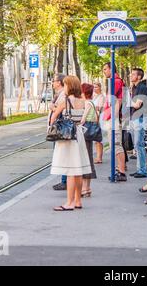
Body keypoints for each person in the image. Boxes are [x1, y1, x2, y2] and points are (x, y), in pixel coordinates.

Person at [50, 76, 91, 211]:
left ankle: (69, 202)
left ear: (70, 86)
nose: (65, 87)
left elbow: (53, 119)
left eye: (66, 85)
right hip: (78, 134)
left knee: (70, 171)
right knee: (78, 170)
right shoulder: (83, 100)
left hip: (68, 137)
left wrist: (52, 109)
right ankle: (78, 201)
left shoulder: (65, 100)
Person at [102, 62, 127, 181]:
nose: (104, 71)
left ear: (112, 69)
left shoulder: (115, 81)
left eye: (106, 69)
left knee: (116, 144)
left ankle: (121, 172)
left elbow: (115, 101)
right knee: (115, 144)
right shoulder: (114, 81)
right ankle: (119, 169)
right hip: (112, 117)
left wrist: (112, 116)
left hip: (113, 118)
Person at [129, 68, 147, 178]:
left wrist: (128, 102)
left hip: (141, 118)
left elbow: (137, 105)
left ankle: (142, 170)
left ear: (139, 77)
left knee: (139, 143)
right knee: (136, 144)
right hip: (134, 117)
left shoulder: (142, 88)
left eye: (133, 74)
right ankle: (139, 168)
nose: (130, 75)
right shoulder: (134, 87)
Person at [49, 73, 68, 191]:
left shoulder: (63, 95)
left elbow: (62, 111)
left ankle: (64, 181)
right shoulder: (58, 94)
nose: (52, 83)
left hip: (60, 128)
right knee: (61, 155)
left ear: (59, 82)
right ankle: (63, 180)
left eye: (54, 81)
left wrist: (53, 108)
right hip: (58, 128)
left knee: (63, 155)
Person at [80, 83, 98, 197]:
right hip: (90, 134)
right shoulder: (92, 103)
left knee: (85, 160)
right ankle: (87, 188)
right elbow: (96, 118)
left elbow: (82, 119)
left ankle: (85, 188)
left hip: (85, 134)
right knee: (89, 158)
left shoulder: (87, 103)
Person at [92, 82, 106, 164]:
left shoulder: (102, 97)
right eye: (94, 87)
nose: (94, 89)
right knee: (96, 140)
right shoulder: (94, 96)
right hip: (94, 118)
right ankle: (98, 157)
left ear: (100, 88)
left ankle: (99, 157)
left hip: (99, 119)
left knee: (99, 140)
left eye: (96, 87)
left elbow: (99, 108)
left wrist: (93, 107)